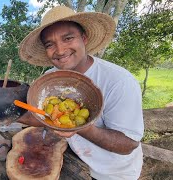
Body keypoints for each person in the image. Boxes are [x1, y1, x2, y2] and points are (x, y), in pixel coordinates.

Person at [16, 5, 144, 180]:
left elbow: (129, 144)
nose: (60, 50)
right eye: (50, 44)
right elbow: (40, 115)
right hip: (79, 160)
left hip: (113, 173)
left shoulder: (119, 81)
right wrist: (9, 114)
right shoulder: (50, 77)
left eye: (68, 38)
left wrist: (78, 128)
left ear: (84, 38)